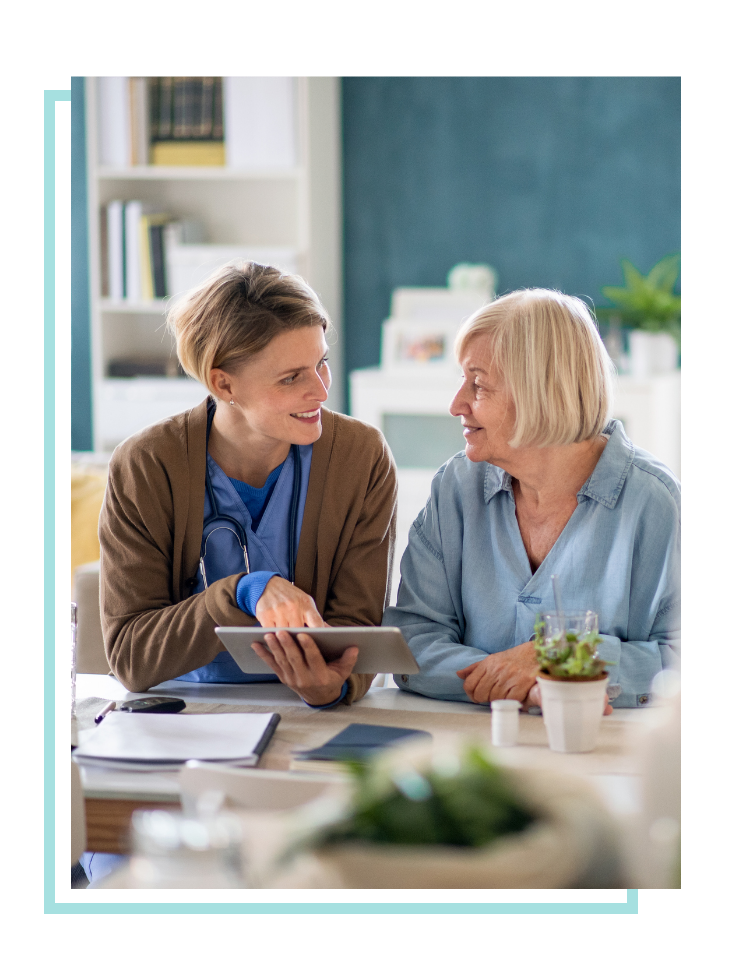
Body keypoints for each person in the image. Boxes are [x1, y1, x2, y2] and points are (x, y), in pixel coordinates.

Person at [98, 261, 397, 709]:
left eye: (322, 364)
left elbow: (357, 631)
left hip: (310, 714)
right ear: (223, 382)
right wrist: (244, 591)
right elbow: (130, 655)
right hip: (182, 713)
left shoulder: (361, 457)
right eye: (291, 377)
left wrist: (333, 685)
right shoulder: (146, 466)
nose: (320, 391)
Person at [383, 289, 679, 710]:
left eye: (478, 384)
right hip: (471, 744)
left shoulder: (657, 504)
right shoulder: (455, 487)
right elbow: (413, 640)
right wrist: (526, 682)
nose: (456, 404)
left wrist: (558, 657)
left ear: (541, 391)